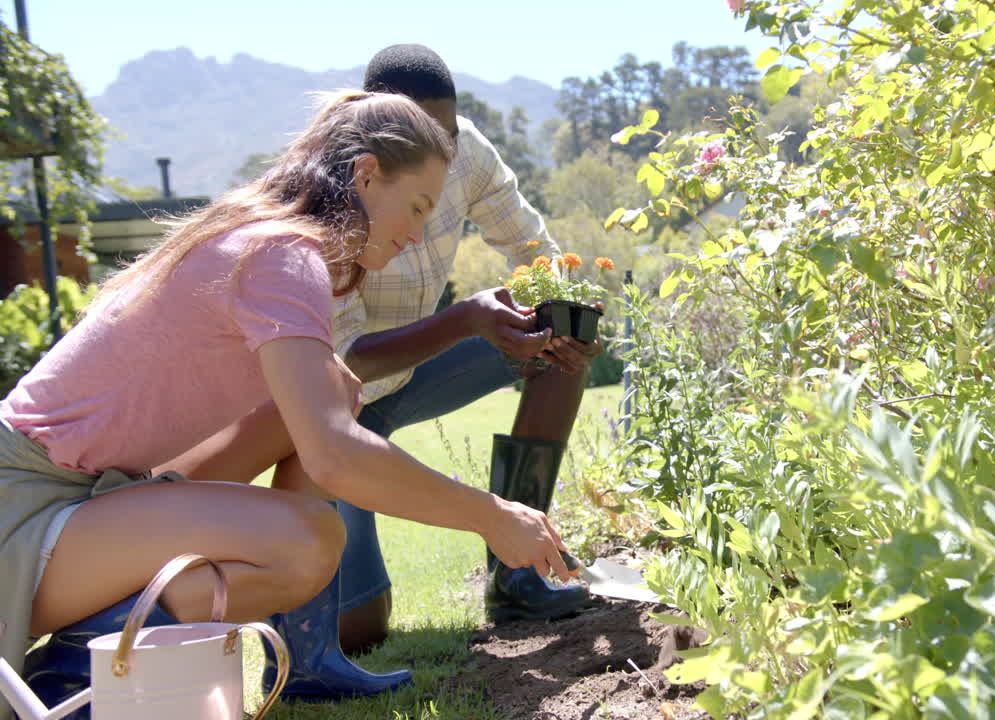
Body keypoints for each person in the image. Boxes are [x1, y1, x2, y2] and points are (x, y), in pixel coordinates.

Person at [0, 90, 574, 720]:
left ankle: (306, 662)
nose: (417, 234)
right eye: (416, 207)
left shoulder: (274, 243)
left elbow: (323, 412)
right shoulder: (282, 254)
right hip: (23, 508)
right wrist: (491, 515)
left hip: (91, 494)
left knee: (334, 390)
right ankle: (73, 675)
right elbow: (332, 456)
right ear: (365, 175)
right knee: (307, 542)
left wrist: (462, 322)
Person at [158, 42, 602, 699]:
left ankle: (522, 577)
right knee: (361, 627)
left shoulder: (466, 152)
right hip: (337, 404)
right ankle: (229, 618)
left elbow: (534, 247)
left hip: (418, 371)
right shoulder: (318, 204)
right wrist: (464, 319)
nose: (443, 160)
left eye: (447, 137)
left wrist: (560, 308)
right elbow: (333, 367)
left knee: (558, 352)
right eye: (424, 140)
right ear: (372, 142)